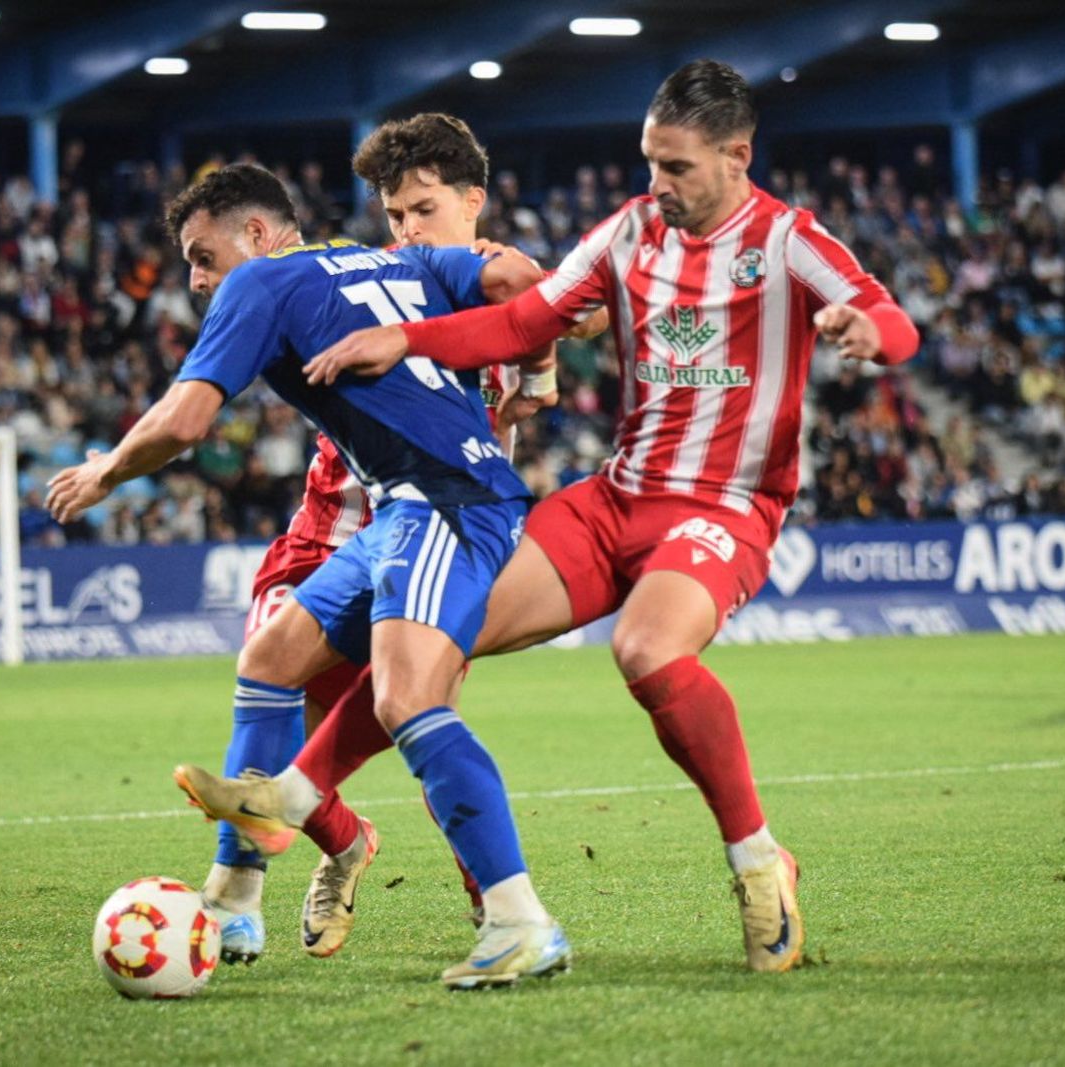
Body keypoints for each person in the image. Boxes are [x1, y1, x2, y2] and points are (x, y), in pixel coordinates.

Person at [199, 59, 920, 974]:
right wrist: (408, 338)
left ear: (738, 156)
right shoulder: (627, 233)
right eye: (650, 162)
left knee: (647, 650)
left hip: (724, 506)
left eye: (678, 168)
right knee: (433, 644)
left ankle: (756, 859)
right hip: (611, 496)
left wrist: (871, 336)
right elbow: (529, 316)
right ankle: (307, 803)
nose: (657, 185)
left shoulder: (786, 240)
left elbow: (890, 319)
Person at [45, 163, 571, 989]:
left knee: (409, 702)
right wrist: (536, 373)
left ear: (255, 235)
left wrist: (107, 470)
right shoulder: (388, 258)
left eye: (202, 255)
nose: (195, 278)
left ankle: (518, 919)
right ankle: (231, 894)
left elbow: (187, 419)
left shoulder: (258, 286)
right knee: (271, 658)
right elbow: (521, 278)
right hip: (406, 504)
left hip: (448, 500)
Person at [201, 114, 570, 966]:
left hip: (436, 532)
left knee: (410, 713)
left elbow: (534, 335)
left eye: (423, 210)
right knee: (285, 693)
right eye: (394, 213)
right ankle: (267, 882)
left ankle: (494, 903)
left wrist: (537, 382)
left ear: (473, 201)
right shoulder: (376, 270)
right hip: (329, 535)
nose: (404, 228)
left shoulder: (488, 292)